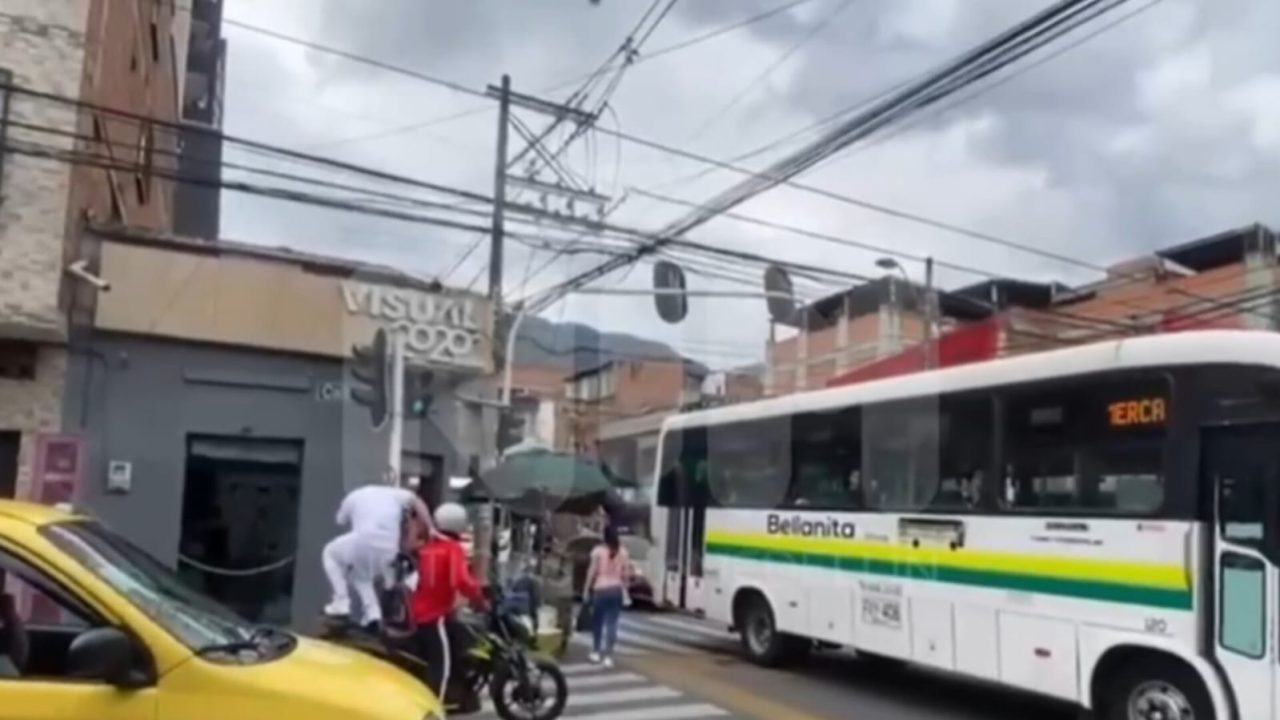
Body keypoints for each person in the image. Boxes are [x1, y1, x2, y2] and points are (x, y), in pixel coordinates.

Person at [322, 478, 435, 631]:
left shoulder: (353, 496)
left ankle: (341, 603)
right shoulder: (396, 494)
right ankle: (373, 615)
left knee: (330, 553)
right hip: (389, 547)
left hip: (363, 539)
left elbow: (340, 520)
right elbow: (418, 502)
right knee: (360, 576)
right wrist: (431, 528)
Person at [409, 502, 488, 705]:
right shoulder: (451, 549)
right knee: (442, 666)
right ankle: (437, 706)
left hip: (418, 612)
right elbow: (461, 580)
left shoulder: (428, 547)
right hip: (435, 617)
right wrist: (479, 598)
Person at [583, 524, 631, 667]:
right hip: (616, 590)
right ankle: (609, 656)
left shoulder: (598, 551)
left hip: (601, 589)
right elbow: (626, 574)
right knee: (612, 624)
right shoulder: (623, 552)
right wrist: (625, 588)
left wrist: (586, 589)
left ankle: (596, 651)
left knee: (597, 622)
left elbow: (591, 572)